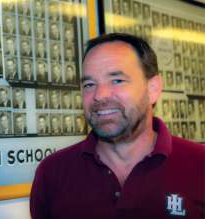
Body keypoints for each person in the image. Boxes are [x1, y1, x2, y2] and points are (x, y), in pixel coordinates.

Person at [30, 33, 205, 218]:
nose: (100, 95)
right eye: (89, 84)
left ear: (153, 89)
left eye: (117, 80)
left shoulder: (200, 166)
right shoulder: (52, 173)